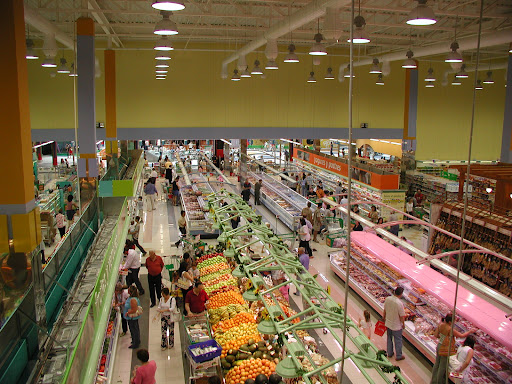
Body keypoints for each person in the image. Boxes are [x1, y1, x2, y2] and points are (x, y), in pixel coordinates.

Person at [431, 314, 476, 384]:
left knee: (437, 363)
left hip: (439, 345)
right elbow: (462, 336)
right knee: (442, 366)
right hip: (445, 348)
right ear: (450, 322)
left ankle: (433, 381)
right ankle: (439, 382)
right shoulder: (450, 329)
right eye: (454, 321)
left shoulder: (440, 325)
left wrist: (443, 338)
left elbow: (436, 335)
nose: (454, 322)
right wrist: (470, 331)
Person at [382, 286, 406, 361]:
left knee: (389, 338)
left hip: (388, 322)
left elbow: (385, 310)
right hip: (396, 325)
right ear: (401, 294)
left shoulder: (388, 299)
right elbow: (402, 316)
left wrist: (384, 318)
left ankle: (390, 353)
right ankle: (398, 355)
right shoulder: (399, 303)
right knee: (398, 340)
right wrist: (403, 324)